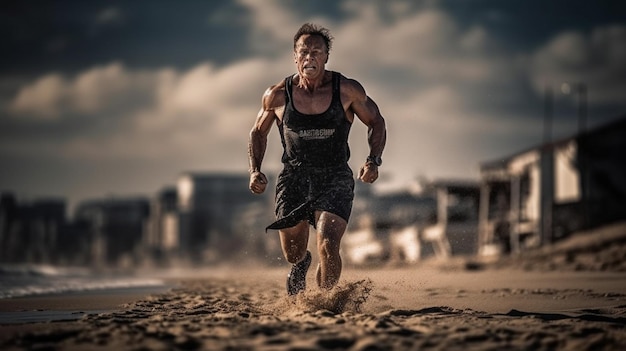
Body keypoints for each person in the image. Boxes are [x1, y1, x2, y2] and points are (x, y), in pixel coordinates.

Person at [248, 23, 387, 295]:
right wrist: (255, 170)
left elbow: (377, 122)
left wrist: (373, 160)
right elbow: (257, 132)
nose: (310, 57)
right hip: (294, 178)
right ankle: (300, 265)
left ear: (326, 57)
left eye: (316, 51)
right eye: (304, 52)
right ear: (295, 57)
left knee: (328, 242)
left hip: (334, 176)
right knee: (293, 252)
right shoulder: (276, 95)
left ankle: (323, 299)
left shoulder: (347, 90)